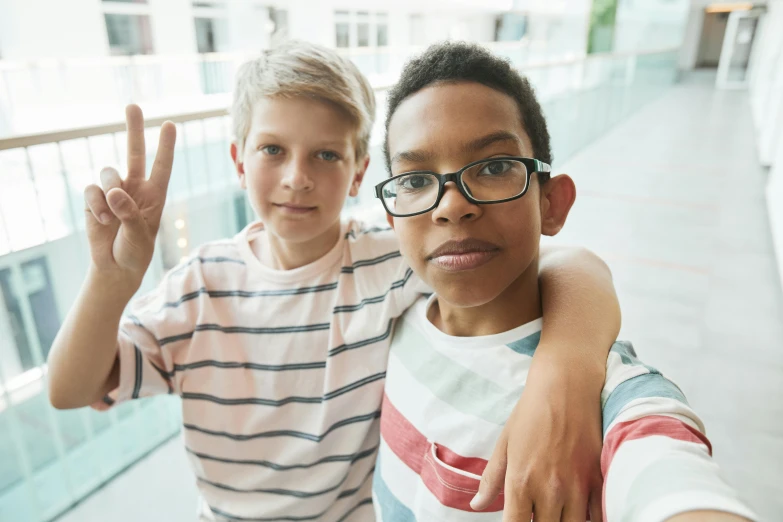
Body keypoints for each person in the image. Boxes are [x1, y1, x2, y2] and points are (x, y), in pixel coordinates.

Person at [47, 41, 621, 521]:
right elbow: (71, 389)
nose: (298, 178)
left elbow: (569, 264)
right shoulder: (200, 285)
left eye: (326, 155)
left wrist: (564, 368)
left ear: (358, 173)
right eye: (273, 149)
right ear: (238, 160)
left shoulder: (389, 258)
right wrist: (109, 279)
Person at [373, 41, 757, 522]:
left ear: (551, 204)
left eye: (494, 167)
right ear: (391, 217)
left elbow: (666, 476)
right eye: (414, 180)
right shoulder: (388, 306)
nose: (451, 205)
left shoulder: (602, 393)